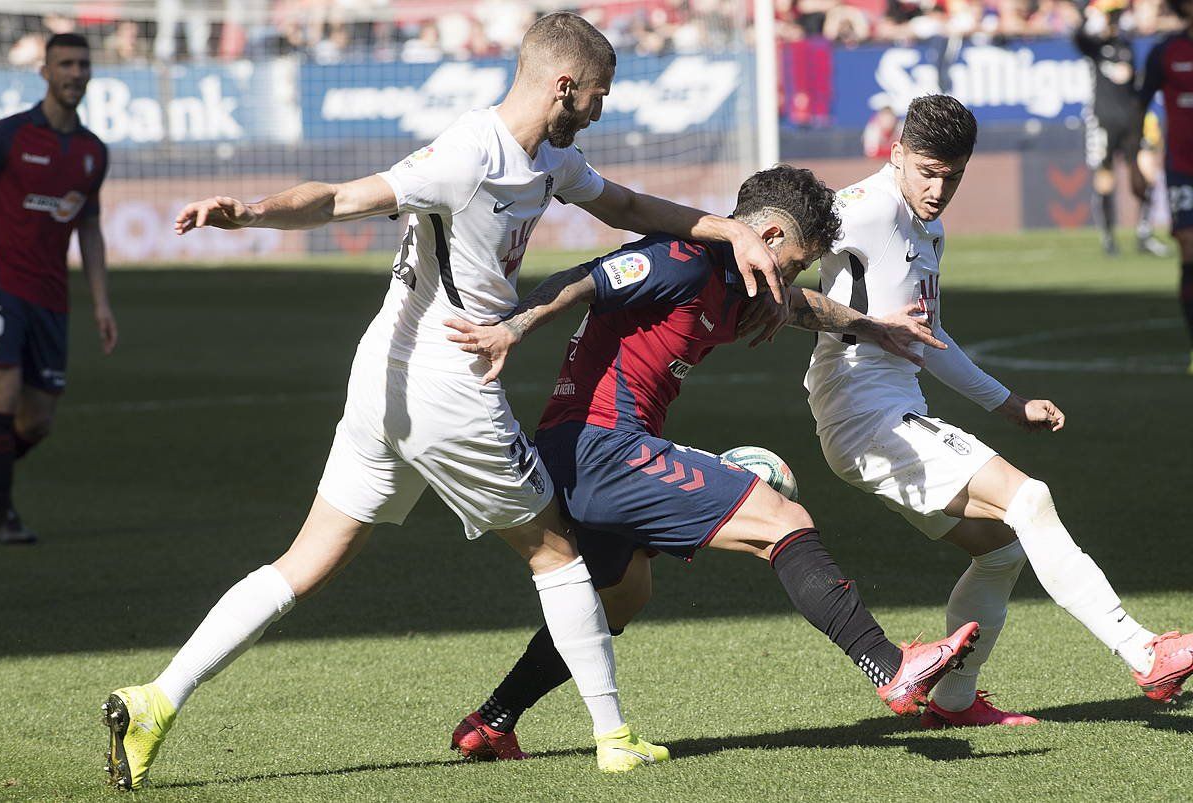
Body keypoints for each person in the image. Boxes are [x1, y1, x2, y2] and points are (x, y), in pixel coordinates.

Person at [99, 12, 795, 789]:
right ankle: (614, 734)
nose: (601, 109)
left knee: (306, 560)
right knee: (556, 552)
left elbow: (629, 208)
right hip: (446, 380)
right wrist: (253, 212)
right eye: (598, 95)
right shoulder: (466, 154)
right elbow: (340, 198)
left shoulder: (548, 161)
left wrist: (728, 229)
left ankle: (157, 699)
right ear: (565, 86)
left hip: (382, 381)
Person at [442, 165, 980, 761]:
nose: (790, 281)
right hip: (600, 447)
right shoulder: (684, 260)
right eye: (795, 263)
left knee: (623, 593)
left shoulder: (739, 283)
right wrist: (511, 328)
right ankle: (889, 667)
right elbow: (583, 280)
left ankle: (492, 721)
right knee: (782, 521)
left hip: (596, 453)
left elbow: (804, 308)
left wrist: (874, 328)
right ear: (770, 237)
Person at [805, 94, 1193, 729]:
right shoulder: (863, 207)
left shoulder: (926, 226)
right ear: (897, 154)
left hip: (888, 414)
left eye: (951, 176)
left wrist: (1007, 403)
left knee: (1003, 549)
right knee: (1030, 499)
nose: (937, 189)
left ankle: (955, 702)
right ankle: (1143, 650)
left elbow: (934, 339)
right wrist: (858, 321)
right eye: (926, 171)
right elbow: (770, 247)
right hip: (863, 416)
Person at [0, 32, 115, 546]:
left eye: (83, 64)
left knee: (38, 419)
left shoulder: (92, 153)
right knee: (4, 390)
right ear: (44, 71)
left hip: (50, 293)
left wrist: (102, 302)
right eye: (65, 64)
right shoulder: (8, 137)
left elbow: (88, 227)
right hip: (1, 282)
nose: (75, 73)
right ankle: (3, 517)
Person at [1075, 0, 1169, 257]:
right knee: (1105, 177)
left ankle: (1143, 233)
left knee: (1144, 172)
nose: (1114, 22)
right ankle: (1108, 237)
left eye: (1117, 17)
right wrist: (1087, 16)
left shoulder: (1125, 44)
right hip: (1104, 119)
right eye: (1110, 17)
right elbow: (1079, 37)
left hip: (1129, 119)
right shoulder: (1093, 46)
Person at [1138, 0, 1193, 374]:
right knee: (1189, 246)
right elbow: (1139, 104)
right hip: (1183, 169)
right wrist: (1132, 160)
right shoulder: (1166, 51)